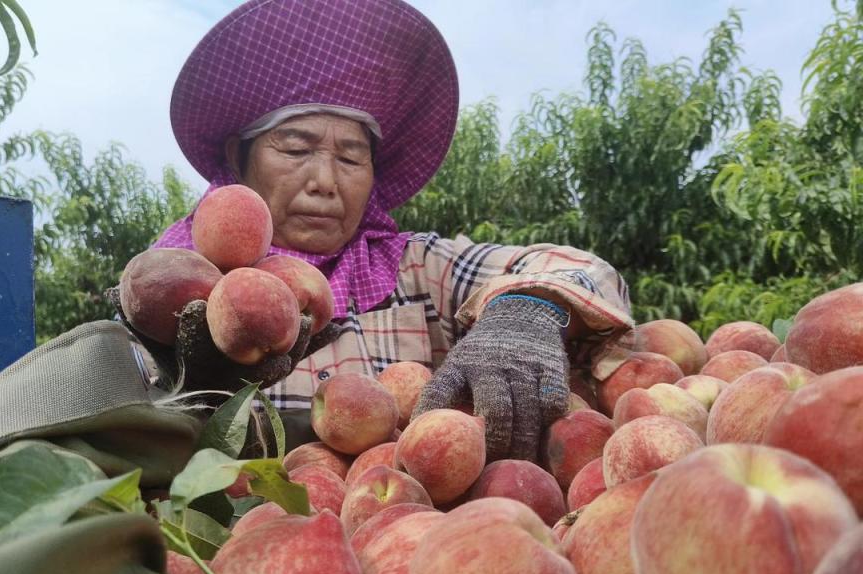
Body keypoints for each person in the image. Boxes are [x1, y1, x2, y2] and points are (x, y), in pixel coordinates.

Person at [152, 0, 634, 462]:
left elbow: (578, 268)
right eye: (296, 149)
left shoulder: (413, 270)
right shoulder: (180, 295)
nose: (325, 182)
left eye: (350, 157)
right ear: (239, 157)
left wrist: (525, 311)